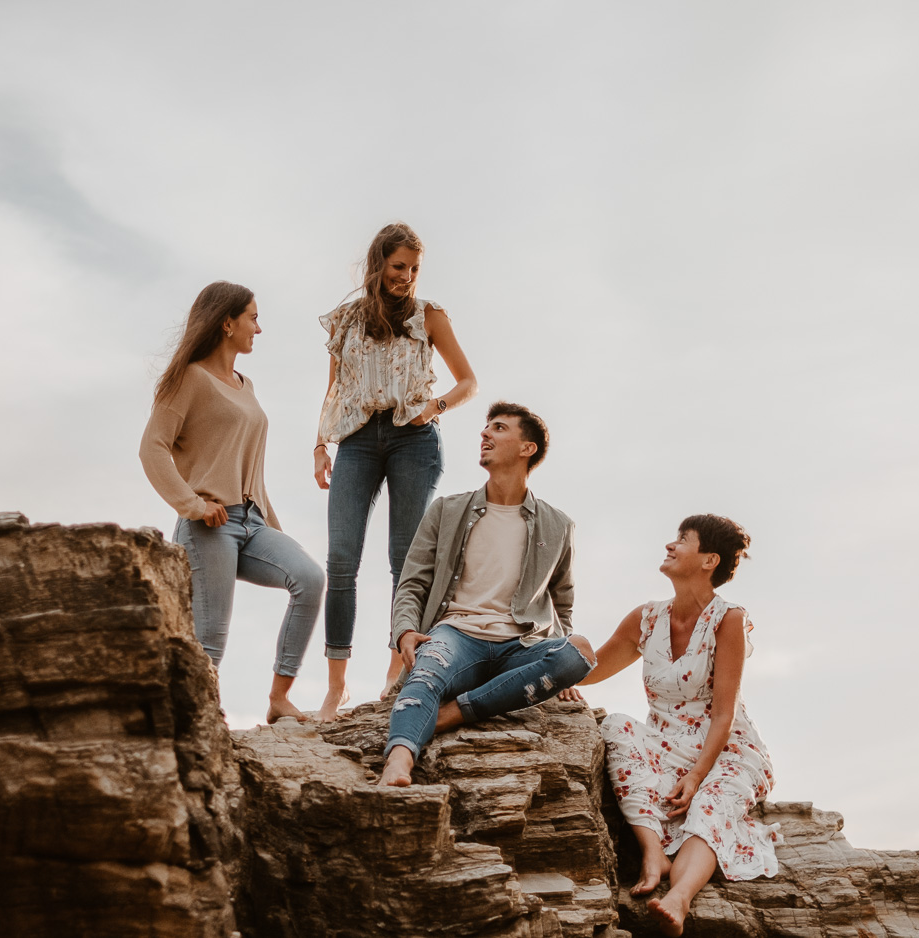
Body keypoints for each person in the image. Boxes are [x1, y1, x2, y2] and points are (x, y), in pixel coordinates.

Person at [573, 515, 779, 937]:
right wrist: (569, 658)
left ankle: (677, 899)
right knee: (616, 726)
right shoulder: (646, 619)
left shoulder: (728, 620)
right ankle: (654, 855)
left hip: (725, 749)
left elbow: (724, 713)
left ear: (709, 561)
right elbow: (590, 671)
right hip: (664, 742)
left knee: (708, 806)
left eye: (683, 539)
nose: (670, 545)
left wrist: (697, 776)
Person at [377, 402, 596, 787]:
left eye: (498, 428)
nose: (485, 434)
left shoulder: (558, 525)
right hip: (456, 636)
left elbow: (562, 602)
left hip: (521, 644)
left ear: (527, 448)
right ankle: (398, 761)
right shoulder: (447, 510)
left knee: (578, 652)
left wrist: (564, 672)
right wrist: (405, 631)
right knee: (427, 669)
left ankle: (454, 713)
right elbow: (412, 582)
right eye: (486, 427)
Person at [313, 222, 478, 721]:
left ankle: (394, 672)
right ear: (378, 264)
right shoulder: (346, 320)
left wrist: (437, 407)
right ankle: (336, 686)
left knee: (404, 560)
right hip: (358, 439)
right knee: (341, 558)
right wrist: (320, 443)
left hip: (413, 439)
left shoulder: (430, 316)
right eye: (398, 266)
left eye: (414, 269)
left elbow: (468, 380)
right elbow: (335, 390)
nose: (406, 276)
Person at [140, 281, 325, 724]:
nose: (259, 329)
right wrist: (192, 506)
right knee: (211, 640)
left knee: (310, 578)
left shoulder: (247, 385)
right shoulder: (189, 378)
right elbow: (152, 448)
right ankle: (197, 723)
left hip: (253, 521)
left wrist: (273, 528)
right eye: (253, 318)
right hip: (210, 525)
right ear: (227, 323)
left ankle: (279, 698)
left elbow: (251, 469)